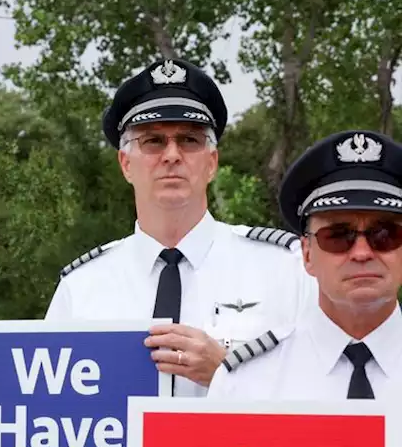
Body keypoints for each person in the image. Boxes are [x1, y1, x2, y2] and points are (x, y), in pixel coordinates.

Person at [45, 59, 313, 396]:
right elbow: (53, 408)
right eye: (153, 141)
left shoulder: (284, 270)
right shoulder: (81, 287)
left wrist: (229, 374)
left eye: (189, 140)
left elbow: (326, 391)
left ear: (211, 162)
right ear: (126, 164)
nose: (172, 155)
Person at [209, 131, 402, 399]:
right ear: (307, 254)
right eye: (337, 236)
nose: (361, 253)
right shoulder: (246, 383)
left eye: (384, 234)